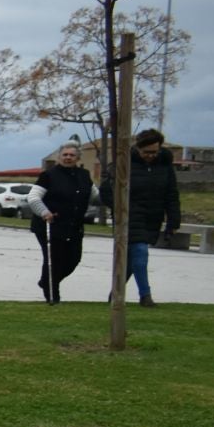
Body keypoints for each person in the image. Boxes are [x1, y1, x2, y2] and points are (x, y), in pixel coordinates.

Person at [104, 129, 180, 307]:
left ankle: (115, 293)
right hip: (129, 217)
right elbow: (106, 191)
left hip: (152, 217)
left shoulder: (165, 166)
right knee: (140, 253)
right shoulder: (124, 163)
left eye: (154, 152)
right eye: (146, 152)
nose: (150, 156)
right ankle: (145, 296)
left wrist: (173, 221)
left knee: (132, 261)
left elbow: (171, 194)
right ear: (138, 149)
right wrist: (119, 209)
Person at [28, 143, 94, 304]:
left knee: (73, 259)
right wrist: (44, 212)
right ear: (59, 157)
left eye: (72, 155)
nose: (68, 157)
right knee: (53, 259)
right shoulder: (48, 175)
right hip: (50, 224)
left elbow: (94, 195)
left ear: (78, 157)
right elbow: (33, 197)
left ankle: (46, 282)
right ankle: (53, 296)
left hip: (74, 225)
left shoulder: (84, 175)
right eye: (65, 155)